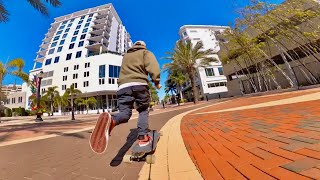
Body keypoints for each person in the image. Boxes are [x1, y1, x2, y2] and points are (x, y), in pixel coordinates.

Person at [106, 40, 161, 147]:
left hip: (123, 87)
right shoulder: (145, 52)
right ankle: (143, 137)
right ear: (143, 46)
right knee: (143, 109)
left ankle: (112, 120)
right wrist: (156, 81)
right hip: (139, 84)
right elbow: (153, 67)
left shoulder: (126, 56)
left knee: (125, 113)